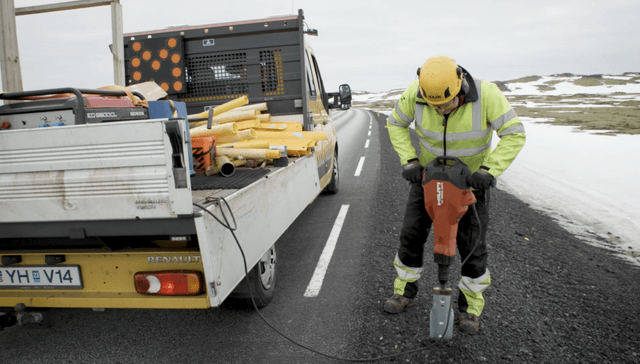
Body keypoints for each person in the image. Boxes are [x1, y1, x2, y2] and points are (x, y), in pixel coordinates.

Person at [384, 55, 526, 334]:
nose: (441, 111)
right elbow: (396, 124)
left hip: (471, 187)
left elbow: (514, 133)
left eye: (447, 105)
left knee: (473, 248)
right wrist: (410, 161)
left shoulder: (488, 95)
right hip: (426, 181)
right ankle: (405, 292)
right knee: (411, 236)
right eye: (434, 106)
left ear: (460, 85)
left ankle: (469, 308)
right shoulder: (416, 94)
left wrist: (489, 170)